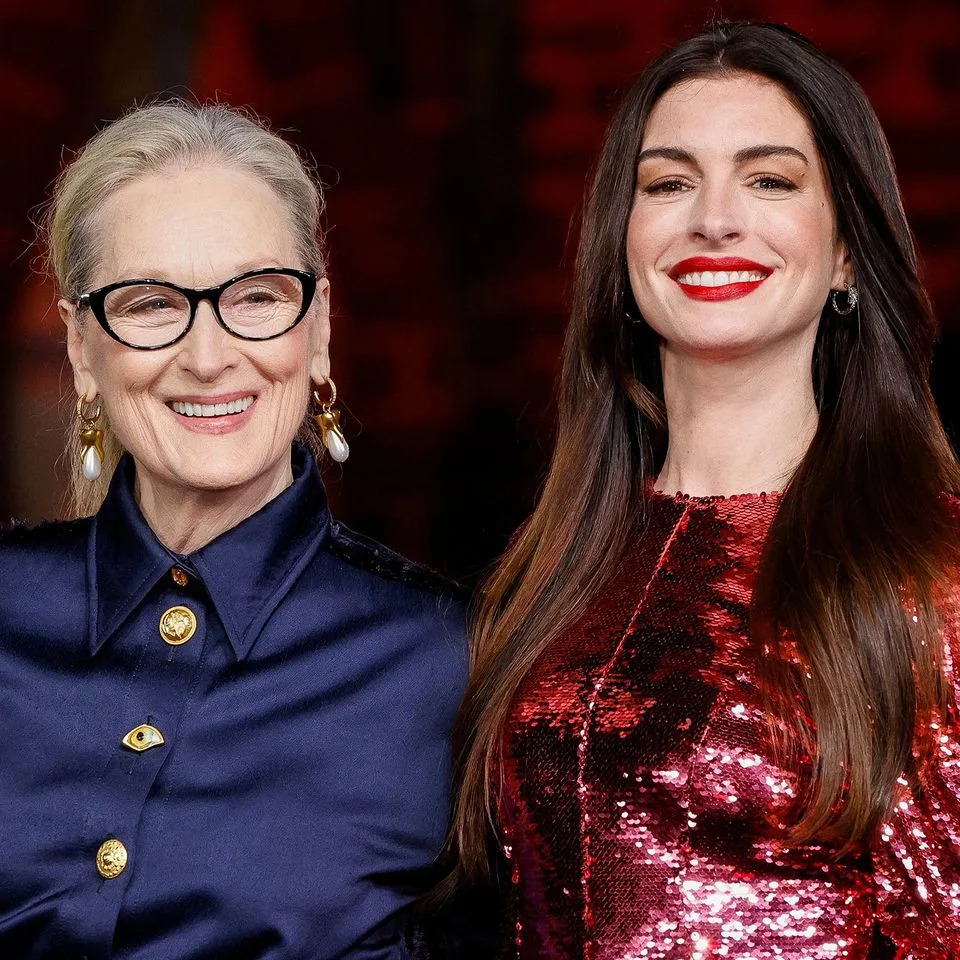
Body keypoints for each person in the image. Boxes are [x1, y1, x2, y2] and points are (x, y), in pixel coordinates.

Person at [449, 20, 960, 959]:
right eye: (668, 182)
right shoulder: (559, 564)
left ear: (846, 251)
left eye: (770, 180)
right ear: (624, 239)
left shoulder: (933, 576)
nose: (714, 218)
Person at [0, 101, 467, 959]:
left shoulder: (451, 663)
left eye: (256, 297)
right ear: (80, 349)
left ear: (318, 328)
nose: (209, 356)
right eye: (148, 304)